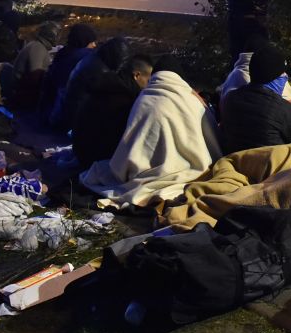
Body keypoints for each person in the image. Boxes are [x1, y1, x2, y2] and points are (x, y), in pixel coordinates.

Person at [81, 55, 222, 207]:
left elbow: (128, 150)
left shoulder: (143, 100)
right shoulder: (193, 100)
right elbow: (213, 138)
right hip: (197, 172)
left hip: (142, 174)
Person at [220, 42, 291, 154]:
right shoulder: (284, 108)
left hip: (234, 162)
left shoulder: (229, 99)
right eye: (283, 76)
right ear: (275, 78)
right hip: (271, 166)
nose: (285, 78)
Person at [72, 54, 153, 169]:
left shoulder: (108, 84)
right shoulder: (123, 98)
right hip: (93, 159)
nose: (149, 85)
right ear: (137, 75)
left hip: (80, 151)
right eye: (149, 80)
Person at [53, 37, 132, 132]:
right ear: (116, 56)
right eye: (122, 61)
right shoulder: (100, 71)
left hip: (70, 114)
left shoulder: (95, 59)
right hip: (75, 122)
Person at [38, 23, 97, 128]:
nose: (94, 45)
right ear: (83, 41)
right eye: (92, 42)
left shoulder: (62, 53)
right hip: (63, 117)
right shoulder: (86, 57)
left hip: (45, 111)